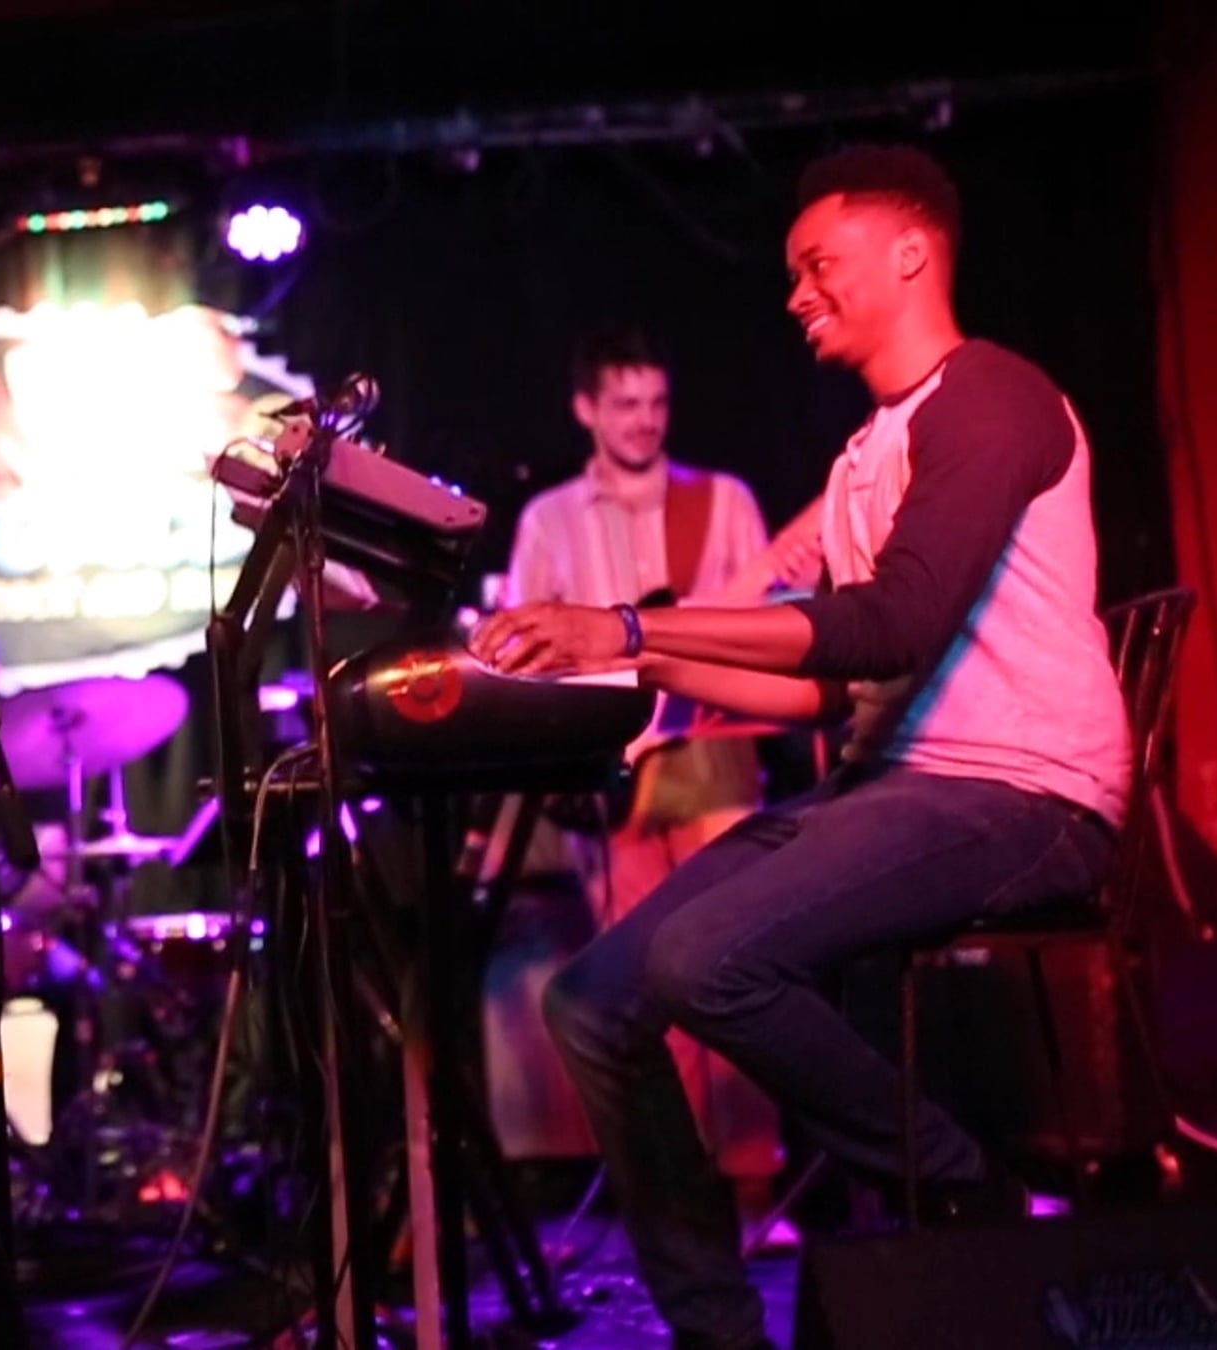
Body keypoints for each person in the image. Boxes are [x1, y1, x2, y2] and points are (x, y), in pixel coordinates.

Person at [471, 144, 1131, 1350]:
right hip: (898, 789)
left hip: (1023, 795)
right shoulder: (865, 455)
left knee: (705, 959)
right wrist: (634, 666)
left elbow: (892, 625)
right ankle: (720, 1334)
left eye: (818, 264)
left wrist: (632, 625)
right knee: (591, 1001)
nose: (795, 294)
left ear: (912, 252)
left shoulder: (991, 395)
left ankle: (966, 1191)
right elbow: (830, 691)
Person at [501, 325, 787, 1218]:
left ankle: (753, 1189)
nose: (644, 421)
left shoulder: (723, 501)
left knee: (734, 963)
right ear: (585, 408)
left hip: (715, 755)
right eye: (625, 404)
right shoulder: (547, 521)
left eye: (657, 402)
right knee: (643, 983)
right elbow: (519, 646)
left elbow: (771, 624)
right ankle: (676, 1192)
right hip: (614, 775)